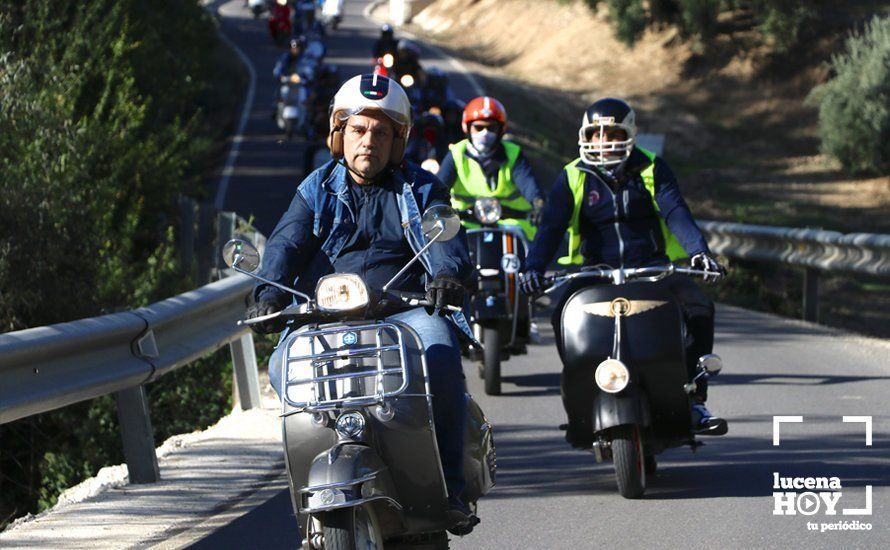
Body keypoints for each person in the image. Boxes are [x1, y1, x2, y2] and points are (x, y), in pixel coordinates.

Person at [245, 74, 479, 533]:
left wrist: (448, 275)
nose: (367, 140)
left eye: (380, 132)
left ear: (397, 140)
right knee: (281, 367)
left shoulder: (421, 188)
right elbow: (287, 242)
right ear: (339, 133)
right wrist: (268, 292)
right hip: (330, 311)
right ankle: (319, 474)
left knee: (441, 355)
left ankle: (451, 488)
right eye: (357, 129)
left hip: (407, 310)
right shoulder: (317, 187)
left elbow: (442, 235)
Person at [519, 97, 727, 447]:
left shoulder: (652, 168)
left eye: (612, 132)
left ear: (630, 133)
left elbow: (676, 212)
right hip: (594, 271)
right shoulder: (572, 176)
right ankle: (583, 392)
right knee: (561, 317)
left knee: (698, 308)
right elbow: (551, 227)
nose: (604, 141)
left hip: (653, 268)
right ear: (585, 136)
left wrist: (699, 253)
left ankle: (695, 398)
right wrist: (533, 267)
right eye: (596, 133)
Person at [437, 96, 545, 241]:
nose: (485, 133)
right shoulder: (456, 154)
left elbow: (529, 185)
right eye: (479, 127)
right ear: (466, 128)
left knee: (535, 260)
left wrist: (539, 204)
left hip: (511, 228)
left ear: (502, 129)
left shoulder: (514, 154)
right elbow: (437, 189)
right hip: (466, 226)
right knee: (445, 260)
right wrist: (436, 207)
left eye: (491, 128)